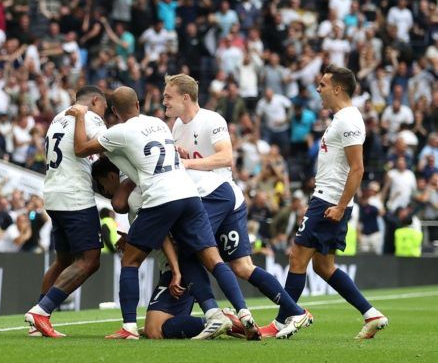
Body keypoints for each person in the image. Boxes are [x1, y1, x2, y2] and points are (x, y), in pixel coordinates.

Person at [66, 86, 258, 340]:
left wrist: (80, 116)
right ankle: (240, 313)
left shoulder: (119, 132)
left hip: (161, 197)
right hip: (189, 193)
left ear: (114, 111)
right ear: (138, 104)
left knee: (130, 261)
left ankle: (128, 327)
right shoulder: (159, 123)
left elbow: (81, 150)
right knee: (214, 260)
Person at [162, 74, 311, 338]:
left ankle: (215, 313)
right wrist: (181, 156)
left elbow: (226, 158)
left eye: (168, 96)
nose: (164, 101)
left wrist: (188, 163)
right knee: (242, 267)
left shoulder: (211, 119)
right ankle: (295, 311)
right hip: (211, 199)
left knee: (188, 249)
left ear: (185, 98)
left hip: (219, 195)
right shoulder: (176, 127)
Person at [260, 65, 389, 339]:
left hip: (328, 201)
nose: (318, 89)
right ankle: (371, 313)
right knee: (323, 266)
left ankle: (285, 320)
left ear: (337, 88)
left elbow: (358, 169)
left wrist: (340, 206)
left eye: (322, 84)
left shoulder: (348, 121)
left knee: (296, 257)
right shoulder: (342, 118)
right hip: (330, 199)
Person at [91, 157, 248, 340]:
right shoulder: (145, 189)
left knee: (154, 330)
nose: (105, 192)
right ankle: (220, 320)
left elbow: (163, 233)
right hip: (174, 267)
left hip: (177, 269)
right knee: (155, 328)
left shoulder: (138, 194)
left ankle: (223, 320)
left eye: (102, 186)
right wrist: (133, 238)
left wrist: (175, 271)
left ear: (112, 176)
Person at [25, 86, 107, 338]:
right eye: (104, 106)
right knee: (91, 259)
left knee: (64, 260)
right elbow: (109, 146)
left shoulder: (57, 117)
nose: (104, 113)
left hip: (53, 193)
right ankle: (42, 310)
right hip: (75, 196)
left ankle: (37, 321)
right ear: (95, 100)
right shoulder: (90, 117)